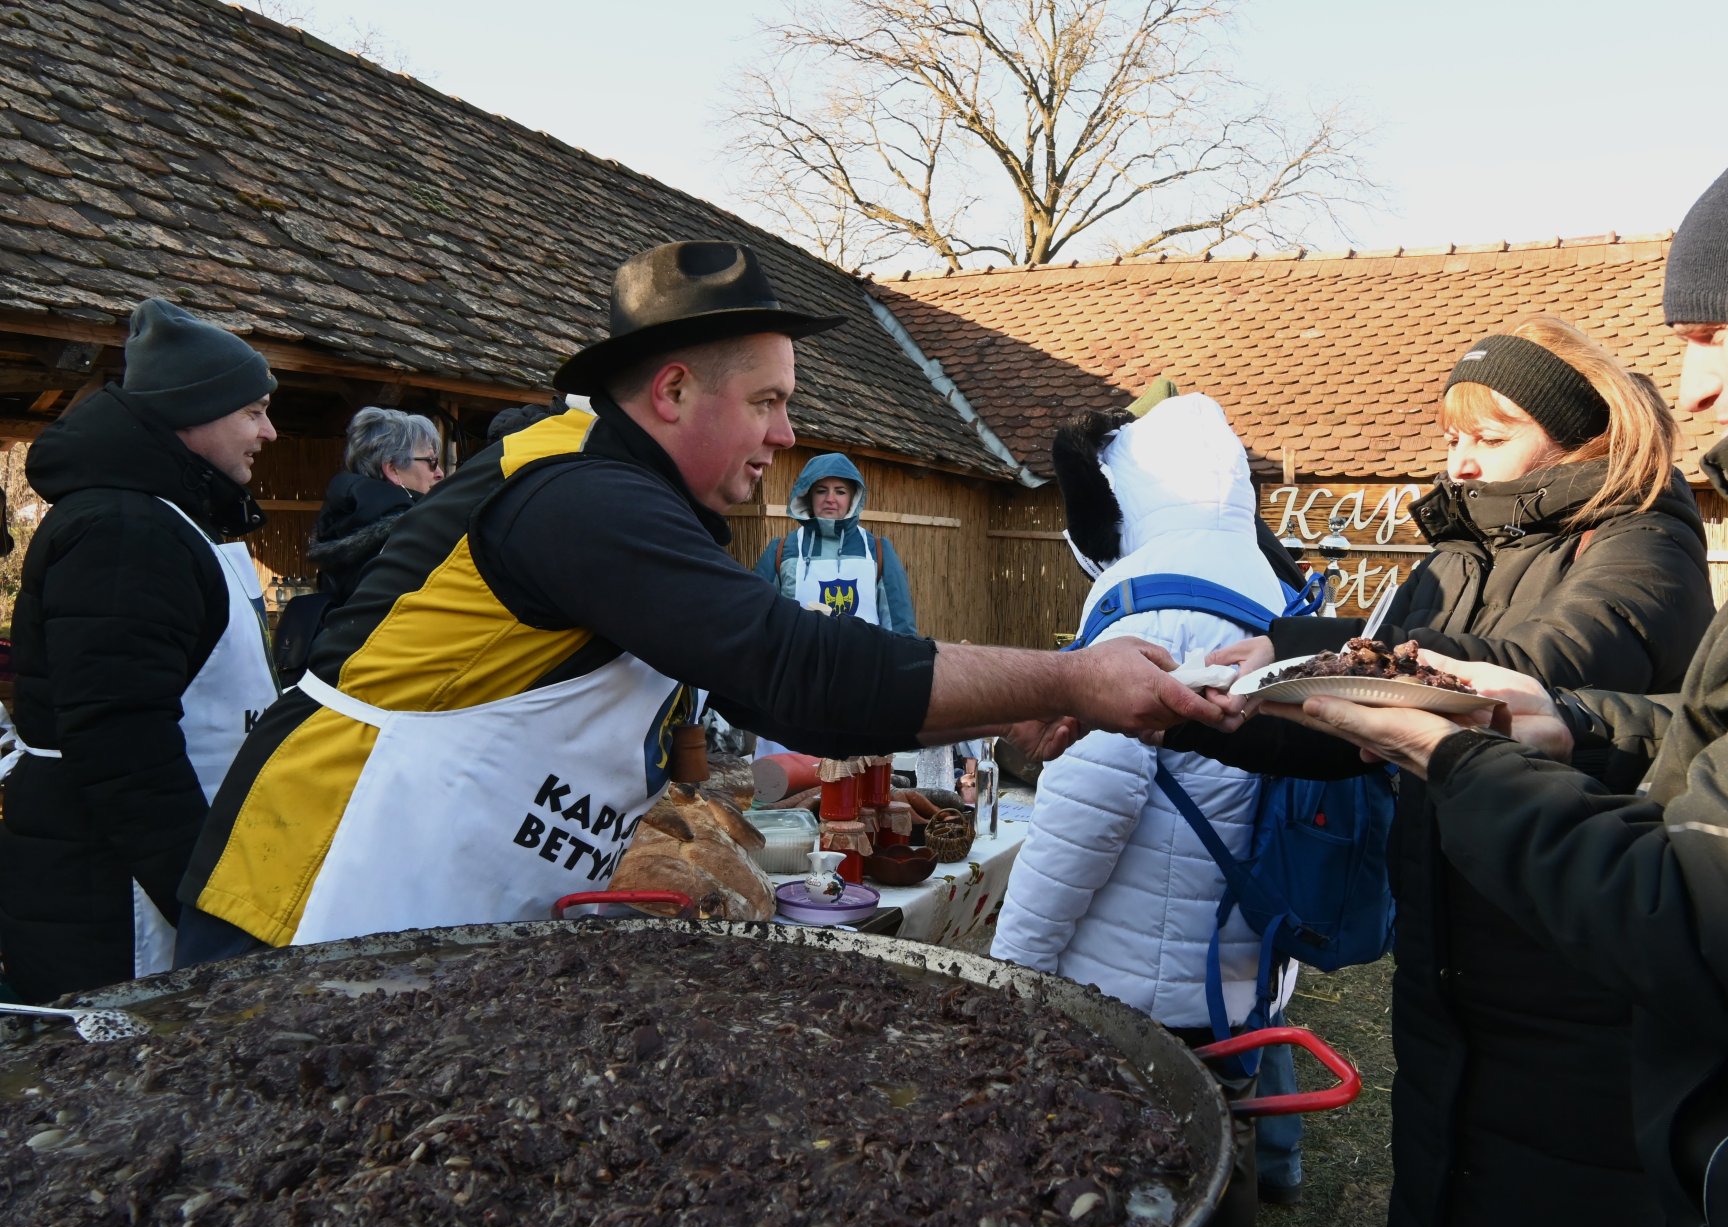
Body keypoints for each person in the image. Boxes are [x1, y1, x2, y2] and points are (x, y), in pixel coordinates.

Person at [1260, 111, 1728, 1227]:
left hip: (1582, 997)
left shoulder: (1693, 546)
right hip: (1465, 970)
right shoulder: (1454, 551)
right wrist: (1249, 696)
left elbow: (1559, 664)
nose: (1698, 383)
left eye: (1712, 331)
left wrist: (1465, 733)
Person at [173, 240, 1225, 961]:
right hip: (306, 892)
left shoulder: (632, 501)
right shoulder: (580, 497)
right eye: (767, 402)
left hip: (438, 901)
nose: (783, 436)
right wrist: (1071, 674)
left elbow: (728, 714)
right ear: (672, 392)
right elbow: (795, 669)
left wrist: (1006, 703)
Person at [1171, 315, 1715, 1227]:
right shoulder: (1456, 557)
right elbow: (1361, 735)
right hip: (1446, 967)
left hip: (1571, 975)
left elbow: (1518, 678)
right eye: (1454, 436)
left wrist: (1310, 655)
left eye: (1490, 435)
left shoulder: (1642, 547)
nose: (1461, 463)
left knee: (1558, 1226)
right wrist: (1180, 708)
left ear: (1582, 434)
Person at [992, 392, 1290, 1227]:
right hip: (1230, 970)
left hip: (1132, 993)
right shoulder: (1268, 607)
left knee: (1120, 1196)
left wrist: (1009, 977)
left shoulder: (1148, 621)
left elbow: (1088, 813)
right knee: (1207, 1161)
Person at [0, 298, 280, 1000]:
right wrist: (203, 900)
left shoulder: (162, 515)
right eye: (252, 412)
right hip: (109, 879)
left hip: (138, 854)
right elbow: (120, 736)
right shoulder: (125, 530)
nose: (270, 432)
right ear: (195, 414)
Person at [750, 449, 918, 758]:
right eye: (821, 490)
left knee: (856, 790)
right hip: (794, 694)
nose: (831, 499)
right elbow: (756, 624)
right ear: (808, 496)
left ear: (853, 497)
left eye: (840, 491)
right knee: (784, 790)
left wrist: (902, 689)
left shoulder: (877, 552)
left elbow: (901, 630)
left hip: (861, 692)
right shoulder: (783, 551)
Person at [308, 407, 444, 609]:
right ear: (393, 469)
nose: (440, 473)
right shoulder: (410, 537)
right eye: (431, 461)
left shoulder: (340, 526)